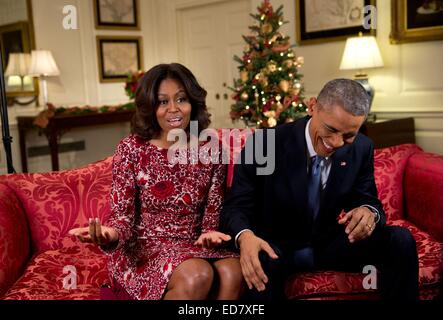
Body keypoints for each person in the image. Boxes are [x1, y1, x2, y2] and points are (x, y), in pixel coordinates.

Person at [220, 79, 419, 300]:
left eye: (348, 135)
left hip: (328, 244)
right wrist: (245, 237)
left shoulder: (362, 147)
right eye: (331, 129)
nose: (336, 143)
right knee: (263, 262)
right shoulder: (264, 144)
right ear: (312, 106)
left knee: (400, 241)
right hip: (276, 247)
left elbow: (369, 201)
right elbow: (235, 207)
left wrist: (368, 212)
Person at [70, 63, 243, 300]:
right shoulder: (131, 149)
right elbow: (122, 216)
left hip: (194, 244)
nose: (174, 109)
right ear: (150, 107)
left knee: (232, 272)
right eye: (163, 102)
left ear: (193, 103)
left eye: (181, 99)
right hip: (144, 248)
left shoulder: (212, 150)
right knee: (197, 274)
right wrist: (110, 234)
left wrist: (210, 233)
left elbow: (213, 211)